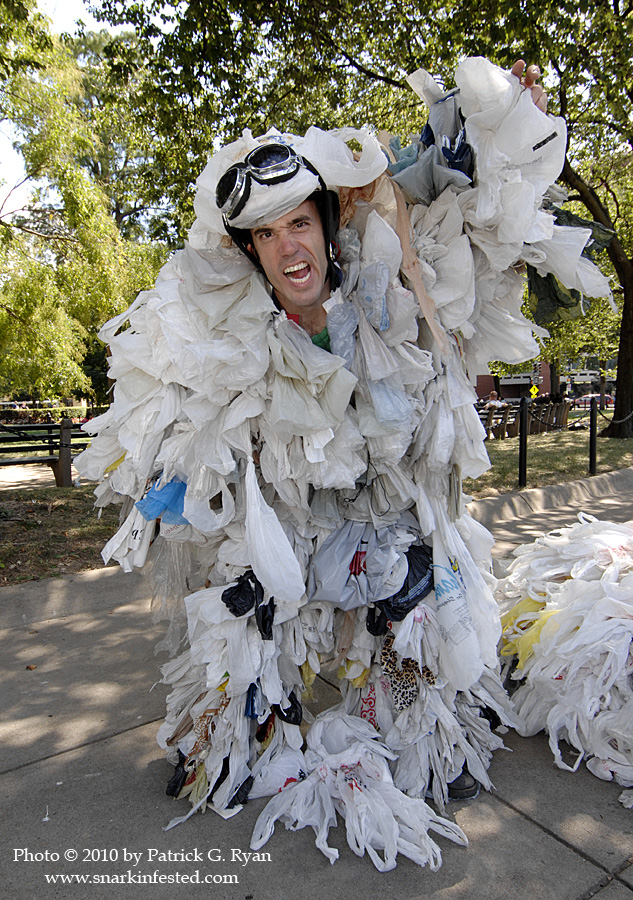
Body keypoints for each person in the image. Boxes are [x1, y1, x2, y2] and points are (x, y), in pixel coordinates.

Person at [75, 57, 610, 870]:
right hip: (287, 536)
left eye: (299, 223)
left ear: (326, 226)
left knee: (416, 602)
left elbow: (435, 189)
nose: (287, 247)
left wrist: (495, 123)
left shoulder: (390, 287)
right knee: (244, 612)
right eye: (265, 234)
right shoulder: (233, 338)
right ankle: (231, 738)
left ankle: (430, 740)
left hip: (382, 526)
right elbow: (182, 435)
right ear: (250, 253)